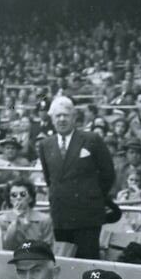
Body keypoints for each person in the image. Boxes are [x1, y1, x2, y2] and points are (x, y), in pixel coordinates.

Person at [39, 95, 116, 259]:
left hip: (87, 214)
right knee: (64, 261)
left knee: (87, 261)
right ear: (52, 119)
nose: (61, 119)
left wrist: (90, 195)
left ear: (74, 117)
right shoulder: (45, 144)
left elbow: (108, 174)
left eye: (65, 115)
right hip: (61, 214)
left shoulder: (91, 139)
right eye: (57, 116)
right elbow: (49, 178)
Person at [0, 179, 55, 251]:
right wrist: (14, 222)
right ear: (10, 200)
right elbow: (5, 246)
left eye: (23, 194)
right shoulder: (2, 220)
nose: (18, 198)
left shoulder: (44, 219)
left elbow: (47, 247)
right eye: (14, 195)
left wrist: (27, 227)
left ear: (30, 198)